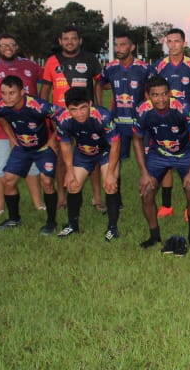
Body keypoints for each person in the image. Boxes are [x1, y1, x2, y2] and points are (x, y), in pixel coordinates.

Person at [0, 32, 45, 215]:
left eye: (11, 44)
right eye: (3, 45)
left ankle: (38, 203)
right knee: (1, 166)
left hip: (28, 128)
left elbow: (48, 79)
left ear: (17, 47)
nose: (8, 48)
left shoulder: (29, 65)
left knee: (32, 165)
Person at [132, 76, 190, 253]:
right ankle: (154, 235)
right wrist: (143, 172)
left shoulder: (182, 107)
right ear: (148, 96)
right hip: (159, 154)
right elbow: (137, 140)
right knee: (147, 191)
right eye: (155, 95)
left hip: (184, 153)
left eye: (165, 94)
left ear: (170, 93)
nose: (161, 99)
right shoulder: (142, 111)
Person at [39, 25, 105, 213]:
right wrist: (44, 115)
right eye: (65, 38)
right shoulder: (52, 61)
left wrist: (98, 107)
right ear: (60, 41)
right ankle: (62, 197)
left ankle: (97, 197)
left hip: (87, 115)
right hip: (60, 117)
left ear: (80, 41)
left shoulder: (90, 59)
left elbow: (99, 83)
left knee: (91, 154)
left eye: (73, 38)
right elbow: (45, 89)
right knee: (61, 158)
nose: (69, 42)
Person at [0, 76, 59, 234]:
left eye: (11, 93)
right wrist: (10, 137)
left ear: (22, 92)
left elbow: (62, 116)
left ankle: (51, 222)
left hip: (43, 148)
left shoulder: (37, 106)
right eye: (3, 93)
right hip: (22, 148)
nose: (7, 97)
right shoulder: (0, 106)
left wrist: (53, 138)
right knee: (8, 180)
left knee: (47, 181)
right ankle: (14, 219)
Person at [55, 88, 121, 241]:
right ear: (67, 109)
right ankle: (72, 224)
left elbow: (116, 145)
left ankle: (112, 228)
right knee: (73, 184)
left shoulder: (103, 116)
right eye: (74, 110)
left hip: (106, 152)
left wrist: (110, 173)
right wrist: (69, 171)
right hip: (83, 153)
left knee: (110, 185)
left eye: (83, 108)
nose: (79, 113)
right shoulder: (63, 119)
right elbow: (65, 145)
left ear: (90, 104)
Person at [151, 28, 190, 218]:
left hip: (187, 120)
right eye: (170, 41)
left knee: (189, 161)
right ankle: (166, 205)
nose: (173, 45)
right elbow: (149, 90)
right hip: (164, 119)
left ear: (184, 43)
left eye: (176, 41)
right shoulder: (159, 65)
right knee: (165, 159)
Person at [99, 33, 152, 209]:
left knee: (146, 160)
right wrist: (100, 107)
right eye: (116, 45)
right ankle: (116, 199)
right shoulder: (110, 68)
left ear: (132, 47)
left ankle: (148, 196)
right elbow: (100, 84)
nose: (119, 48)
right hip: (118, 121)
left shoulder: (144, 68)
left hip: (139, 123)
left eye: (123, 45)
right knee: (114, 161)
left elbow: (152, 91)